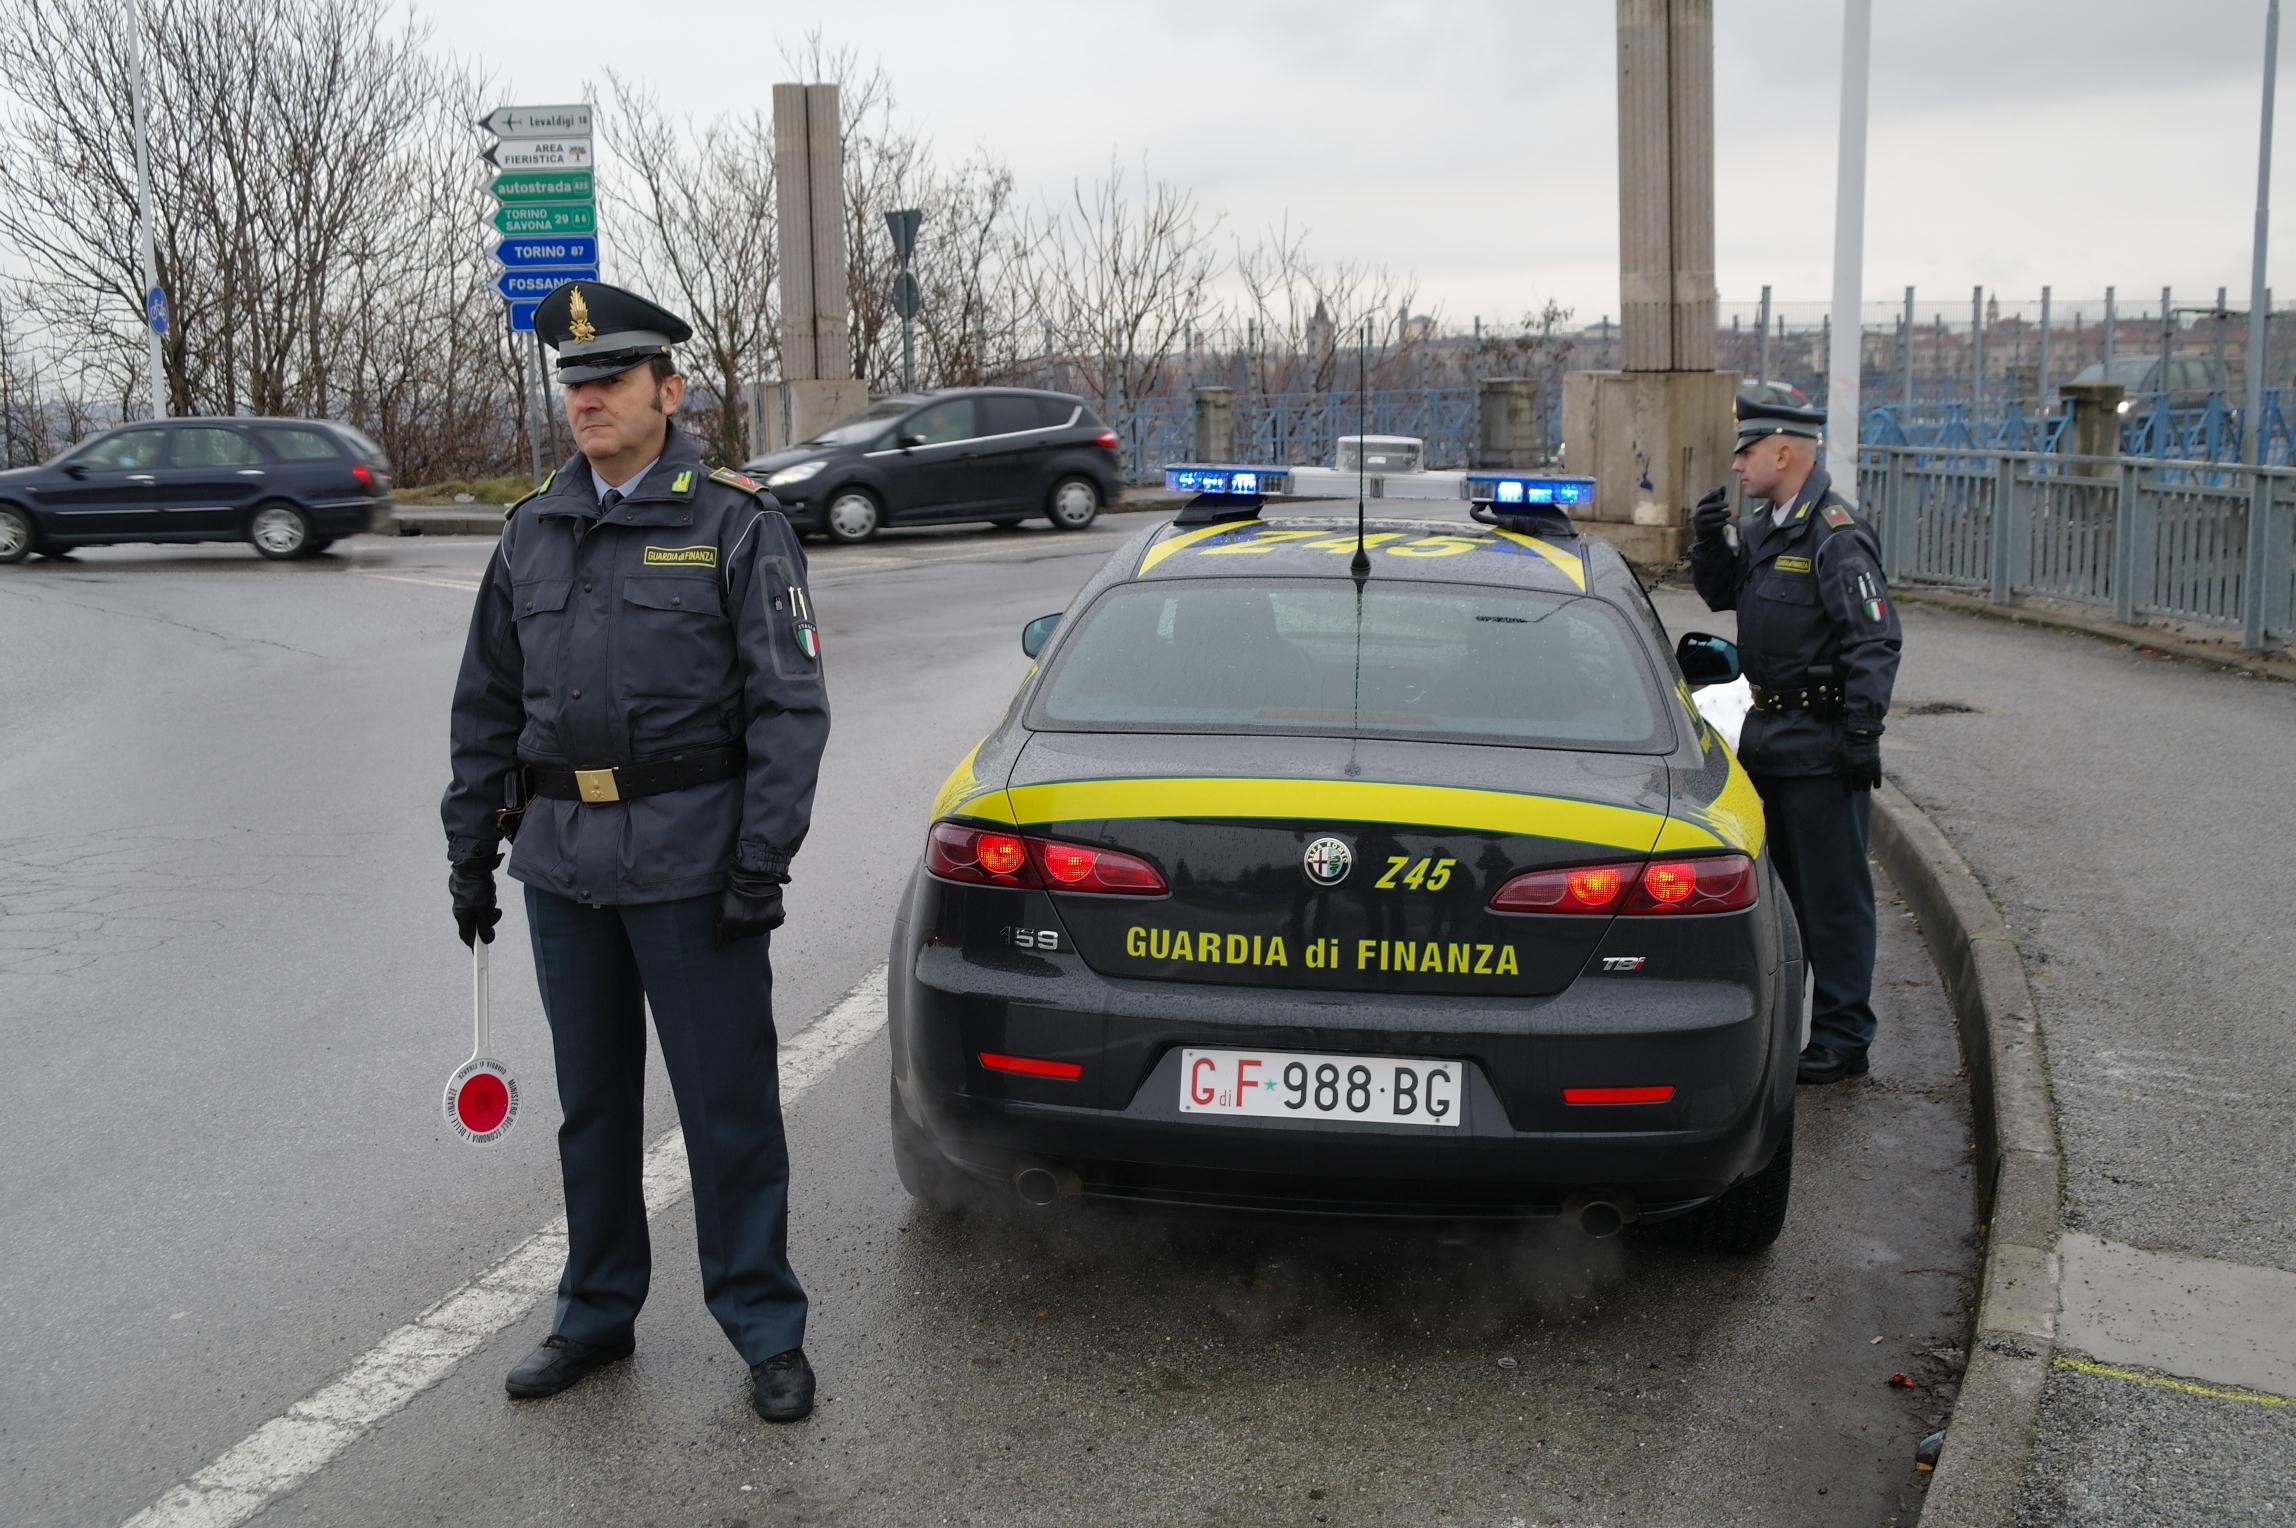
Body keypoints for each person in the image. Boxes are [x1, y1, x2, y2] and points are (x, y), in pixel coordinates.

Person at [440, 279, 830, 1421]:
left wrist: (762, 859)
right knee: (592, 1107)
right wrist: (471, 848)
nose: (588, 397)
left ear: (670, 388)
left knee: (728, 1107)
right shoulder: (531, 530)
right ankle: (596, 1311)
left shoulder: (734, 524)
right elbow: (486, 706)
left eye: (610, 377)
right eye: (574, 381)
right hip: (563, 865)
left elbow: (789, 709)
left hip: (694, 869)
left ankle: (764, 1326)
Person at [1690, 398, 1901, 1086]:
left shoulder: (1836, 535)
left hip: (1821, 744)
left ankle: (1844, 1038)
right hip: (1769, 739)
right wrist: (1708, 545)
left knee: (1833, 899)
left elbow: (1873, 639)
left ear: (1786, 452)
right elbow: (1726, 596)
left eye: (1748, 451)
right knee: (1780, 900)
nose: (1738, 463)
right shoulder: (1764, 530)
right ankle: (1787, 1029)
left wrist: (1862, 732)